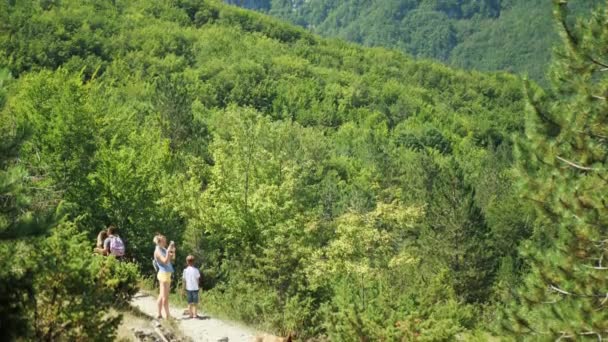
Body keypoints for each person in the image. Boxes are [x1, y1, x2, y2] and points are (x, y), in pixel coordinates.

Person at [153, 233, 175, 319]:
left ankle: (159, 314)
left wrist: (172, 251)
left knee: (162, 295)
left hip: (166, 274)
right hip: (163, 274)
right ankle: (167, 316)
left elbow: (172, 259)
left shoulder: (162, 249)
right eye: (164, 241)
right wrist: (168, 251)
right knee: (165, 297)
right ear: (159, 242)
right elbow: (165, 261)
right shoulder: (157, 251)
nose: (165, 242)